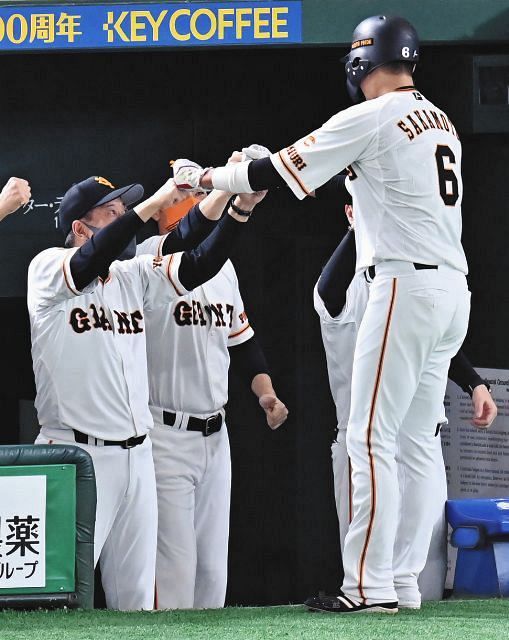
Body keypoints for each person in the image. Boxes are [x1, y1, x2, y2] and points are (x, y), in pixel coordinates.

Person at [177, 15, 472, 613]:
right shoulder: (442, 120)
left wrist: (204, 177)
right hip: (453, 291)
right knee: (415, 444)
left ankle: (367, 587)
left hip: (404, 283)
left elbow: (273, 170)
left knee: (368, 437)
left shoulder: (375, 113)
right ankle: (403, 582)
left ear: (363, 60)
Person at [28, 174, 253, 610]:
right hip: (75, 455)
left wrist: (239, 208)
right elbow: (90, 258)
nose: (124, 220)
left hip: (138, 456)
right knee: (58, 601)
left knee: (136, 603)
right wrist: (155, 203)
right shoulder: (48, 268)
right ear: (80, 226)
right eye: (111, 213)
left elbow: (198, 260)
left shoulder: (131, 276)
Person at [311, 182, 496, 606]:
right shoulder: (342, 283)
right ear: (350, 214)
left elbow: (428, 340)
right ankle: (369, 593)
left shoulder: (414, 276)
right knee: (374, 572)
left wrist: (473, 382)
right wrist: (369, 208)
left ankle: (391, 597)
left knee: (420, 589)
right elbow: (326, 291)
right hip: (365, 446)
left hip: (415, 445)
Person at [136, 170, 288, 608]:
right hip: (165, 432)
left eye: (200, 191)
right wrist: (231, 197)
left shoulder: (225, 269)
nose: (197, 199)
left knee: (211, 572)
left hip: (215, 436)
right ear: (162, 208)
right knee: (175, 571)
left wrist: (266, 392)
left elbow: (242, 342)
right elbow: (190, 238)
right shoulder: (146, 257)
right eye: (187, 192)